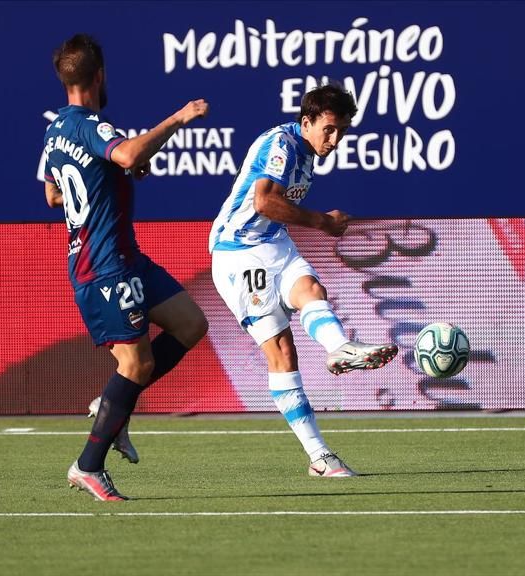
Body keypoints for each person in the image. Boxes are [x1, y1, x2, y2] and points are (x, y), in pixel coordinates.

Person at [42, 34, 209, 501]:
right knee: (137, 364)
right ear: (99, 75)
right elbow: (130, 153)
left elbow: (52, 194)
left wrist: (110, 172)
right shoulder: (89, 125)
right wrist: (179, 118)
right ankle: (88, 465)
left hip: (125, 256)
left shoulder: (55, 129)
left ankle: (114, 404)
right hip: (104, 264)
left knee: (191, 324)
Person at [208, 84, 398, 477]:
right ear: (306, 121)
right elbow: (264, 202)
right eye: (329, 129)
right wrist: (322, 221)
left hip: (273, 243)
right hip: (238, 251)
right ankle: (320, 456)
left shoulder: (307, 151)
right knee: (282, 352)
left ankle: (340, 348)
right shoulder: (283, 145)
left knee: (312, 290)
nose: (335, 139)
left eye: (342, 131)